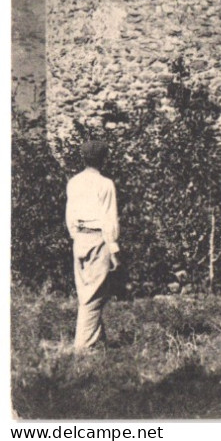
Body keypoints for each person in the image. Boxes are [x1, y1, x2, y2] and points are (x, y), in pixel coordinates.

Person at [65, 137, 120, 352]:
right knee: (93, 296)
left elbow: (69, 215)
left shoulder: (74, 182)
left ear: (83, 157)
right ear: (104, 159)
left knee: (86, 291)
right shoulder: (105, 184)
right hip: (98, 238)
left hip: (79, 238)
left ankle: (98, 343)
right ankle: (83, 347)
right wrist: (113, 249)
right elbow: (109, 219)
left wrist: (76, 237)